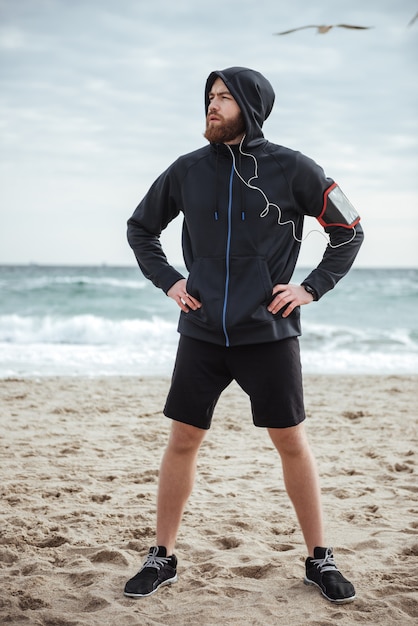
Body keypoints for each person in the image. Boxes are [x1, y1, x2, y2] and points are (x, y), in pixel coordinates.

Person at [124, 66, 364, 604]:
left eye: (224, 98)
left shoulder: (294, 168)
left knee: (291, 442)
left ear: (251, 106)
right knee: (183, 439)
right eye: (209, 97)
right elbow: (141, 228)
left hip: (268, 333)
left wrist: (311, 288)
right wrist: (169, 281)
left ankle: (318, 558)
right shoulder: (186, 170)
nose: (212, 106)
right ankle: (162, 556)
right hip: (203, 332)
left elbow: (350, 229)